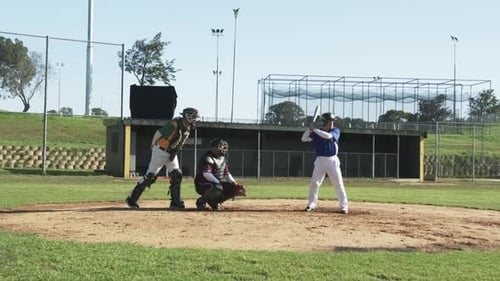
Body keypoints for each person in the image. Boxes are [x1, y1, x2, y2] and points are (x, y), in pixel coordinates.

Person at [126, 107, 199, 209]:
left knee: (177, 174)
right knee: (150, 176)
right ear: (188, 116)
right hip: (160, 150)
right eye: (194, 116)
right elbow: (158, 133)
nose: (195, 119)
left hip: (171, 152)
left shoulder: (188, 128)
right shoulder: (174, 124)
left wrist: (175, 152)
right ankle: (131, 199)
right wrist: (153, 145)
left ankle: (175, 201)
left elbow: (181, 142)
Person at [301, 112, 349, 214]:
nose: (331, 123)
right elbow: (304, 138)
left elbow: (328, 137)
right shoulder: (317, 132)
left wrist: (314, 130)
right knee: (315, 183)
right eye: (329, 121)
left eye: (332, 121)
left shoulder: (335, 131)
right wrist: (309, 129)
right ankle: (311, 204)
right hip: (320, 160)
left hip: (332, 160)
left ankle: (344, 206)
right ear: (324, 122)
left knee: (338, 184)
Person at [194, 138, 246, 211]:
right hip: (202, 183)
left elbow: (226, 174)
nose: (223, 149)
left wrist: (235, 184)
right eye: (221, 146)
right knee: (217, 188)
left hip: (215, 183)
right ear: (213, 148)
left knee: (233, 188)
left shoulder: (223, 159)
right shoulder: (207, 158)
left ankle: (214, 202)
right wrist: (218, 183)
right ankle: (201, 202)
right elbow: (206, 174)